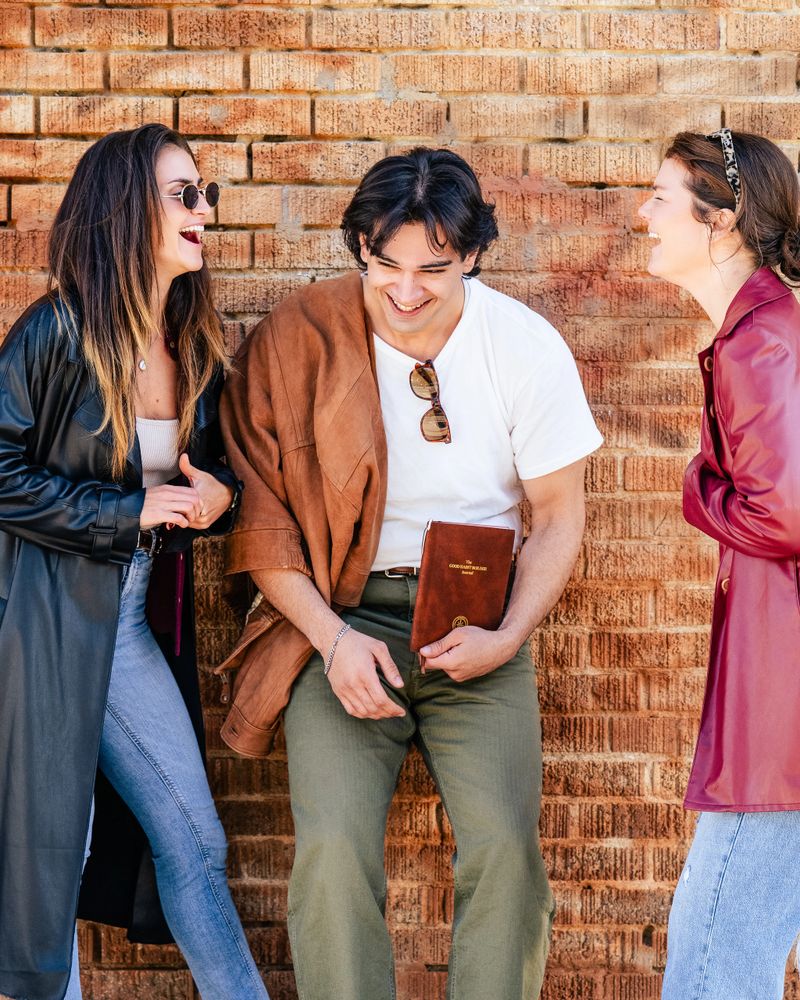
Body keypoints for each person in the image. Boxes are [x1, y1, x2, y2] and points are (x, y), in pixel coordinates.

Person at [217, 147, 603, 1000]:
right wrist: (333, 639)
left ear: (471, 254)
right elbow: (264, 523)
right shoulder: (300, 337)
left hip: (478, 619)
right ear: (360, 244)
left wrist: (506, 637)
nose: (405, 289)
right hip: (342, 618)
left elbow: (558, 516)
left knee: (505, 845)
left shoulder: (524, 348)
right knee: (331, 850)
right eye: (385, 263)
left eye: (433, 268)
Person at [0, 124, 269, 1000]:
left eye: (207, 194)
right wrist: (129, 509)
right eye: (183, 194)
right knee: (49, 860)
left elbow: (217, 466)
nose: (205, 211)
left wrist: (217, 494)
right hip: (41, 628)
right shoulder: (56, 331)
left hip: (128, 627)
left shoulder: (193, 341)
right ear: (125, 210)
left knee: (194, 841)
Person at [639, 130, 800, 999]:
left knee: (711, 970)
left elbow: (783, 513)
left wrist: (699, 490)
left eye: (662, 198)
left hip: (784, 713)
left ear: (724, 222)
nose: (643, 214)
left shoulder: (760, 341)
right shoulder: (765, 327)